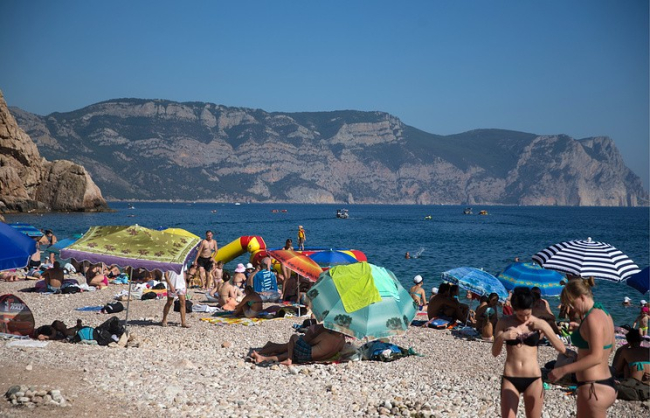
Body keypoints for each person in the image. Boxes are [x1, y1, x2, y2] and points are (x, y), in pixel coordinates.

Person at [492, 287, 567, 418]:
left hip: (534, 378)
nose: (525, 318)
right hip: (510, 377)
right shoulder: (504, 322)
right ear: (514, 309)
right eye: (520, 315)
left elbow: (561, 348)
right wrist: (502, 337)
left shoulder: (539, 323)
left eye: (528, 314)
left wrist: (545, 328)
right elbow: (495, 352)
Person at [548, 277, 616, 418]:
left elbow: (596, 357)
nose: (572, 308)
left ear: (582, 297)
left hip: (594, 388)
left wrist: (562, 370)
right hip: (604, 384)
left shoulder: (592, 319)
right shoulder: (604, 313)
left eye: (573, 303)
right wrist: (582, 330)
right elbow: (610, 347)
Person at [251, 324, 346, 365]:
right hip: (316, 358)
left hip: (307, 354)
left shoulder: (326, 335)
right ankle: (263, 357)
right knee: (290, 351)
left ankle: (288, 360)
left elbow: (310, 342)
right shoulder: (342, 340)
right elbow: (340, 350)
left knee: (293, 338)